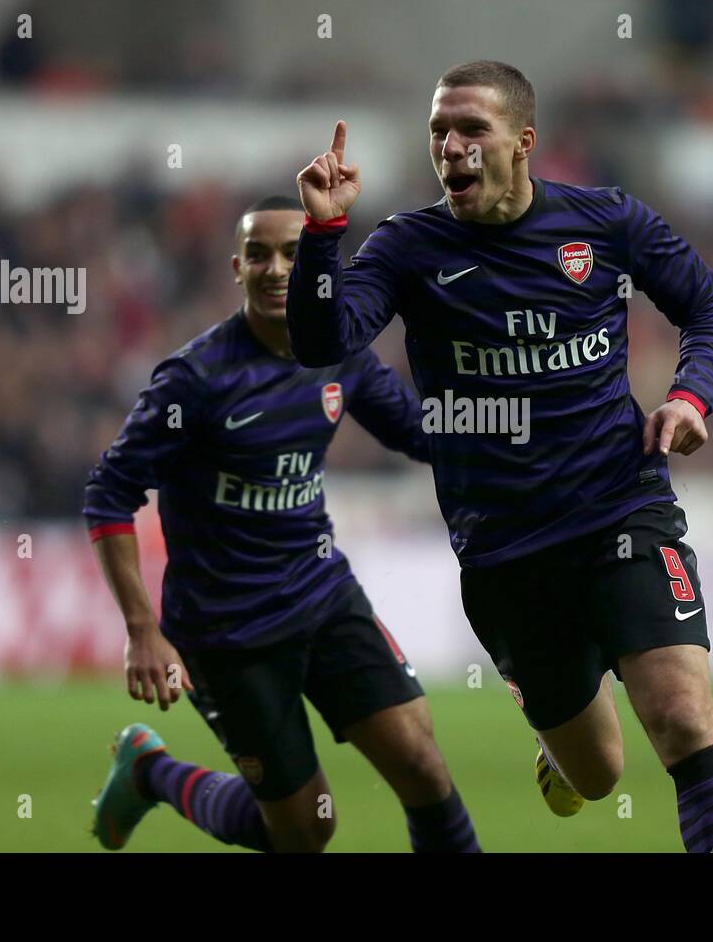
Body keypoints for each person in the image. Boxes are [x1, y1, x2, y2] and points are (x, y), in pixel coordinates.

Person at [287, 61, 713, 852]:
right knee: (598, 774)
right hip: (507, 550)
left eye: (473, 129)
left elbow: (708, 302)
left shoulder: (605, 223)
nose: (453, 146)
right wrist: (325, 235)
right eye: (440, 131)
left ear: (523, 143)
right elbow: (319, 343)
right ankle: (555, 749)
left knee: (680, 716)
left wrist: (690, 395)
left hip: (621, 504)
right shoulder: (408, 248)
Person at [85, 196, 479, 853]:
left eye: (294, 254)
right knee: (304, 829)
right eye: (260, 255)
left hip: (322, 595)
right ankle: (151, 771)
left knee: (418, 760)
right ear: (236, 268)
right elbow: (108, 494)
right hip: (227, 631)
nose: (276, 269)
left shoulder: (339, 353)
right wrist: (140, 631)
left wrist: (528, 430)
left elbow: (422, 432)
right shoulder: (195, 380)